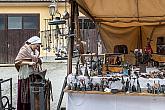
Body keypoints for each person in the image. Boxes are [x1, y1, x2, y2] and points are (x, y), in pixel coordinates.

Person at [15, 36, 41, 110]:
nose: (37, 48)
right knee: (25, 95)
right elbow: (17, 62)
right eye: (36, 46)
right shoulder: (24, 50)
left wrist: (39, 60)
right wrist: (29, 63)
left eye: (38, 46)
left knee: (31, 94)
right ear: (33, 43)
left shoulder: (34, 52)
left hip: (32, 75)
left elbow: (36, 59)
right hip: (25, 76)